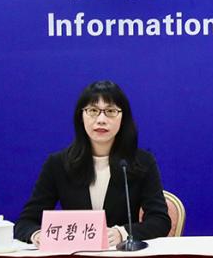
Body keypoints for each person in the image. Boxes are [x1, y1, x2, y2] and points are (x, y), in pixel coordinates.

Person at [15, 80, 171, 246]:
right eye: (93, 111)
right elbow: (25, 222)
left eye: (110, 111)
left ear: (123, 118)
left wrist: (122, 233)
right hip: (74, 256)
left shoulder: (141, 162)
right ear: (81, 117)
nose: (101, 120)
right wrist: (37, 235)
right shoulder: (57, 164)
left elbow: (160, 221)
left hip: (121, 256)